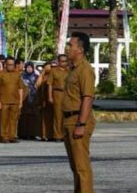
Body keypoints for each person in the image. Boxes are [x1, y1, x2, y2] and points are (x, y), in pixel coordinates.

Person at [62, 32, 96, 193]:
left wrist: (81, 124)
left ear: (80, 50)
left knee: (81, 166)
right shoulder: (72, 69)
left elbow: (87, 98)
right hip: (69, 119)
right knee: (75, 166)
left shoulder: (85, 70)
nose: (67, 48)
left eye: (71, 45)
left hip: (78, 119)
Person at [0, 57, 25, 143]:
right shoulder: (0, 74)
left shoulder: (17, 74)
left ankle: (12, 136)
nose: (10, 66)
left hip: (15, 101)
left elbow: (20, 88)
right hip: (4, 101)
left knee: (14, 119)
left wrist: (21, 101)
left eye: (12, 64)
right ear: (5, 64)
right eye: (8, 64)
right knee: (4, 120)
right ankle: (4, 136)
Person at [48, 54, 70, 142]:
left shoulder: (69, 71)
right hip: (57, 93)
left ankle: (65, 135)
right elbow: (49, 84)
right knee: (58, 116)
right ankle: (57, 136)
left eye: (65, 61)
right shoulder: (53, 71)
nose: (64, 63)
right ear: (58, 61)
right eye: (62, 61)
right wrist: (50, 96)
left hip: (67, 95)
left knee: (66, 116)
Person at [19, 63, 40, 140]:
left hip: (34, 98)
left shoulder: (37, 77)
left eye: (31, 67)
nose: (29, 69)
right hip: (24, 98)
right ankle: (23, 134)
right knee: (24, 116)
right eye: (27, 67)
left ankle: (33, 134)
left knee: (33, 117)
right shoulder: (22, 76)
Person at [37, 62, 54, 141]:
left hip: (54, 99)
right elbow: (37, 85)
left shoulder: (54, 74)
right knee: (44, 118)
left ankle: (53, 135)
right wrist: (43, 73)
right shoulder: (43, 76)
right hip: (44, 99)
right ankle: (44, 135)